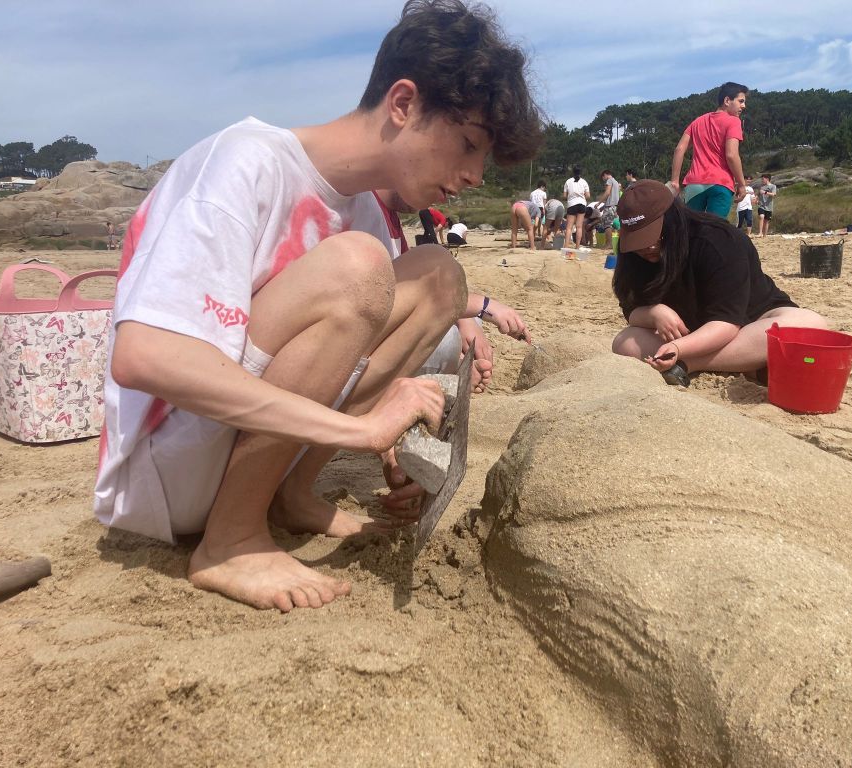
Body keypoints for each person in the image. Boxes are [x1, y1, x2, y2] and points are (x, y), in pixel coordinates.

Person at [93, 0, 543, 613]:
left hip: (241, 454)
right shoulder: (249, 159)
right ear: (403, 104)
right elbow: (145, 356)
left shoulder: (365, 214)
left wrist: (391, 446)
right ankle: (231, 539)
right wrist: (357, 429)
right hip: (164, 474)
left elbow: (341, 360)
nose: (473, 176)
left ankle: (291, 496)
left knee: (441, 276)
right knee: (359, 266)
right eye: (467, 144)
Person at [611, 180, 826, 387]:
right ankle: (747, 364)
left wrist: (679, 350)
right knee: (625, 342)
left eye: (653, 237)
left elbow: (727, 323)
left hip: (749, 324)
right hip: (694, 333)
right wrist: (653, 313)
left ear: (672, 219)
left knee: (810, 324)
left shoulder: (718, 240)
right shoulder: (633, 256)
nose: (646, 247)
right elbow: (631, 311)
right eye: (638, 241)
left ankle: (689, 365)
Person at [374, 188, 531, 395]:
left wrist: (463, 317)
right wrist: (482, 306)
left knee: (470, 321)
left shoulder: (388, 215)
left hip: (388, 330)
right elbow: (383, 300)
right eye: (441, 188)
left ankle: (449, 367)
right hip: (369, 346)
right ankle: (449, 372)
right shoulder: (365, 210)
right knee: (449, 340)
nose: (442, 198)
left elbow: (411, 286)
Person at [669, 82, 748, 220]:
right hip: (720, 183)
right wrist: (741, 184)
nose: (743, 106)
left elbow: (679, 149)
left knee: (691, 231)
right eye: (740, 101)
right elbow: (731, 155)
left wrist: (675, 181)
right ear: (727, 100)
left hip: (694, 184)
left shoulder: (698, 121)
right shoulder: (734, 121)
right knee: (715, 232)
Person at [563, 166, 590, 248]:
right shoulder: (584, 182)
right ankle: (577, 246)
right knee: (579, 226)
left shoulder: (568, 181)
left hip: (572, 204)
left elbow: (564, 196)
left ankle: (566, 246)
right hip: (581, 204)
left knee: (569, 227)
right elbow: (588, 196)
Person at [596, 169, 621, 244]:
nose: (603, 179)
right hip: (614, 206)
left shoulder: (609, 180)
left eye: (602, 177)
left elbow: (607, 193)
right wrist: (603, 207)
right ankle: (610, 243)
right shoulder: (616, 182)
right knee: (610, 224)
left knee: (607, 225)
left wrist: (599, 203)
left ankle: (608, 244)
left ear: (605, 175)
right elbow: (612, 197)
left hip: (610, 206)